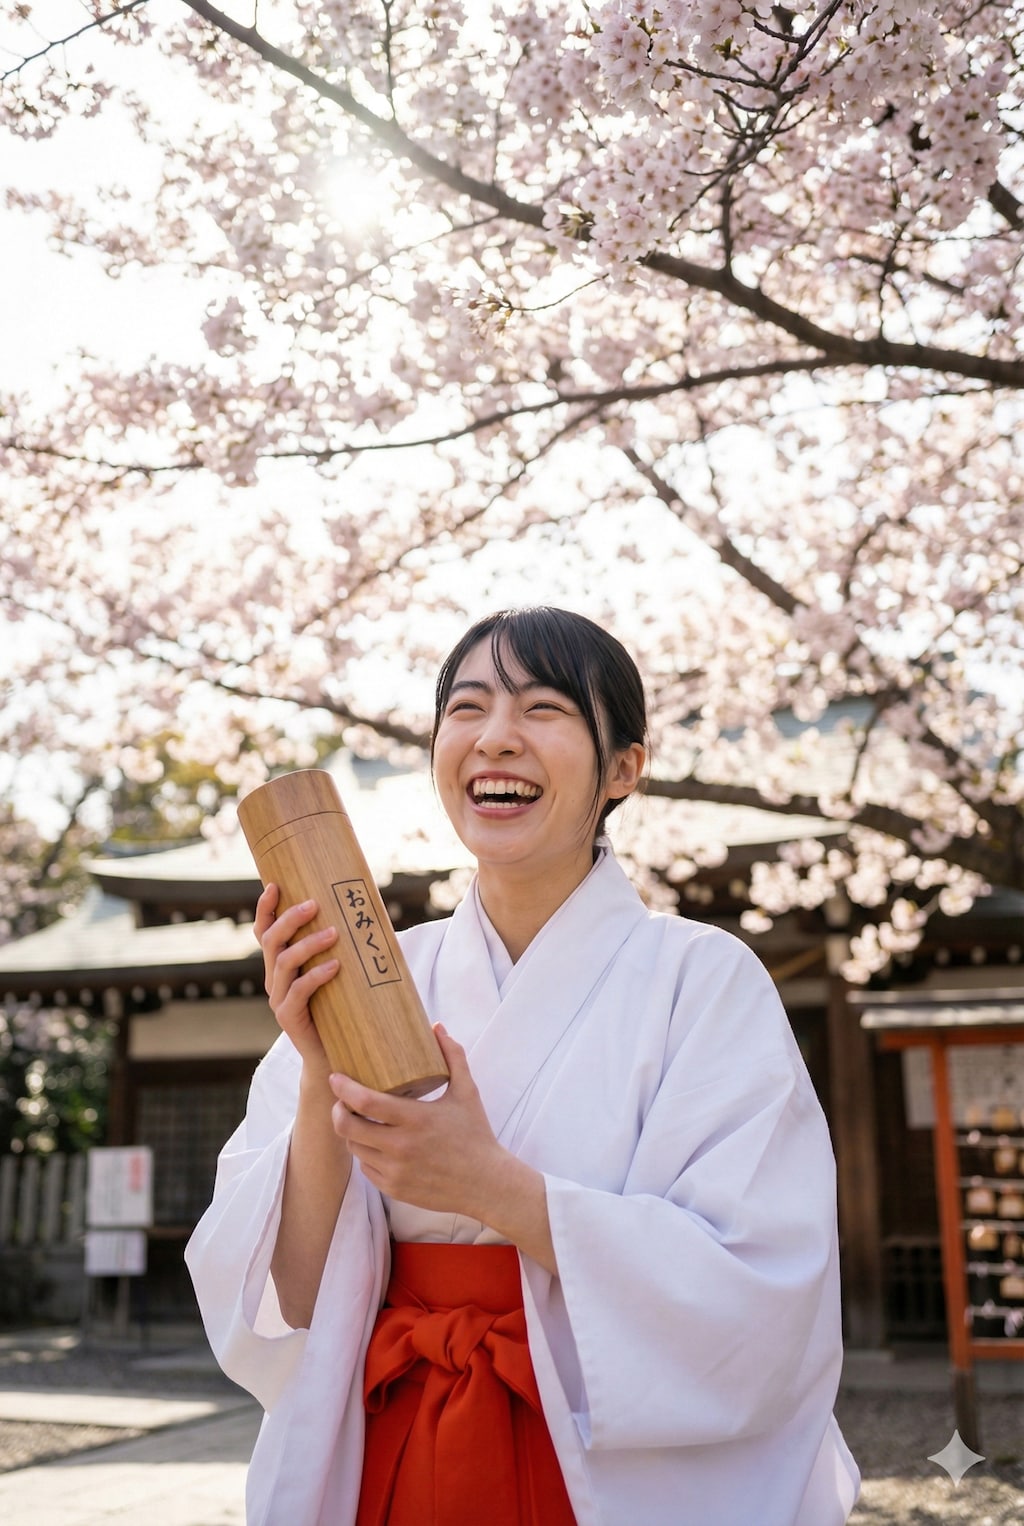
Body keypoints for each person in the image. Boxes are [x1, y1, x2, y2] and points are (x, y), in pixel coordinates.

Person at [186, 606, 860, 1526]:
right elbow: (290, 1300)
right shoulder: (386, 977)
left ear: (624, 766)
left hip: (595, 1466)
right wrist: (319, 1065)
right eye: (466, 709)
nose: (495, 738)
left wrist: (493, 1188)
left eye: (543, 708)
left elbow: (761, 1290)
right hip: (394, 1447)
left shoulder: (702, 980)